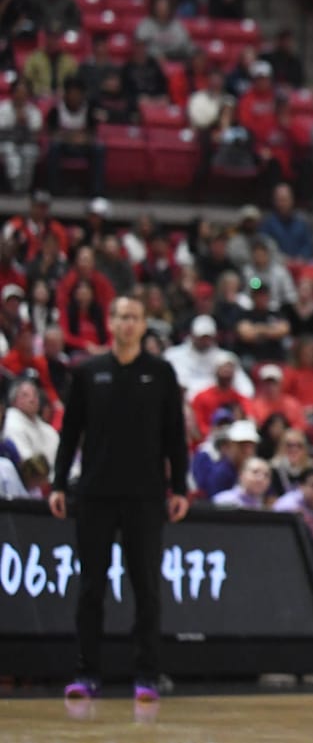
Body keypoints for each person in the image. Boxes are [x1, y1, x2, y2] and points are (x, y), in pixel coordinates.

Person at [49, 295, 190, 702]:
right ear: (110, 322)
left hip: (145, 497)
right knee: (91, 586)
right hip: (94, 494)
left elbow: (174, 438)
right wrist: (59, 483)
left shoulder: (161, 373)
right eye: (121, 317)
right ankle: (86, 673)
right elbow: (70, 432)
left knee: (146, 587)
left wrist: (178, 488)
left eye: (135, 317)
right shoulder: (89, 372)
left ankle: (147, 673)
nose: (127, 324)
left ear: (144, 324)